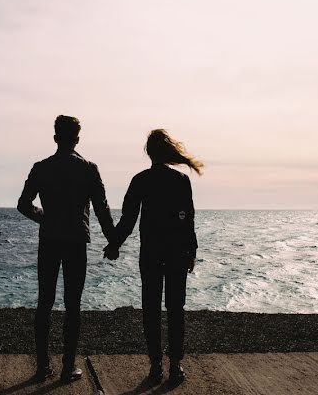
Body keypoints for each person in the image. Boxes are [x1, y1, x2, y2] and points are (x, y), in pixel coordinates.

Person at [17, 115, 115, 382]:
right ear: (77, 139)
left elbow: (23, 204)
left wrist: (44, 217)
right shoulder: (89, 169)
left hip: (49, 239)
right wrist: (113, 240)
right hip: (75, 240)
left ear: (55, 138)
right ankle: (67, 366)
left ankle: (42, 367)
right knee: (73, 305)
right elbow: (102, 209)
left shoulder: (41, 167)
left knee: (44, 302)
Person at [103, 129, 202, 386]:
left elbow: (128, 219)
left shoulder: (140, 180)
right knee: (175, 308)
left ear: (148, 152)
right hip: (177, 252)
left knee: (151, 309)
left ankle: (156, 365)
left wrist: (114, 244)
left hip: (151, 253)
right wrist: (192, 251)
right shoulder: (181, 180)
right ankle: (175, 366)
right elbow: (188, 219)